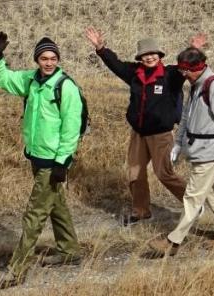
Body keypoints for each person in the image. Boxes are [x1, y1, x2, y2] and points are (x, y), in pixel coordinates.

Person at [0, 33, 83, 289]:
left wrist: (62, 162)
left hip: (53, 161)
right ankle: (70, 250)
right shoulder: (30, 80)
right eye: (44, 58)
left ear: (58, 60)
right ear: (37, 60)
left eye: (53, 58)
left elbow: (71, 128)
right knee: (55, 204)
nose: (49, 62)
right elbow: (3, 79)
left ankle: (17, 270)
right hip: (36, 156)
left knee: (35, 213)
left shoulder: (66, 87)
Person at [83, 28, 204, 225]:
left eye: (153, 54)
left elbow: (186, 65)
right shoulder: (134, 73)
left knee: (164, 174)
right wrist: (101, 48)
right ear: (140, 57)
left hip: (161, 135)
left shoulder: (170, 75)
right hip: (138, 133)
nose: (149, 57)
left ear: (159, 55)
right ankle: (141, 211)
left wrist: (194, 49)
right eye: (145, 54)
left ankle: (195, 203)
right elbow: (115, 65)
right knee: (135, 173)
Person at [148, 47, 214, 257]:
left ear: (197, 68)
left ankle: (173, 241)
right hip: (198, 149)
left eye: (185, 71)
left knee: (192, 197)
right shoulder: (196, 86)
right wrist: (178, 144)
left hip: (209, 151)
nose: (183, 75)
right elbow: (186, 118)